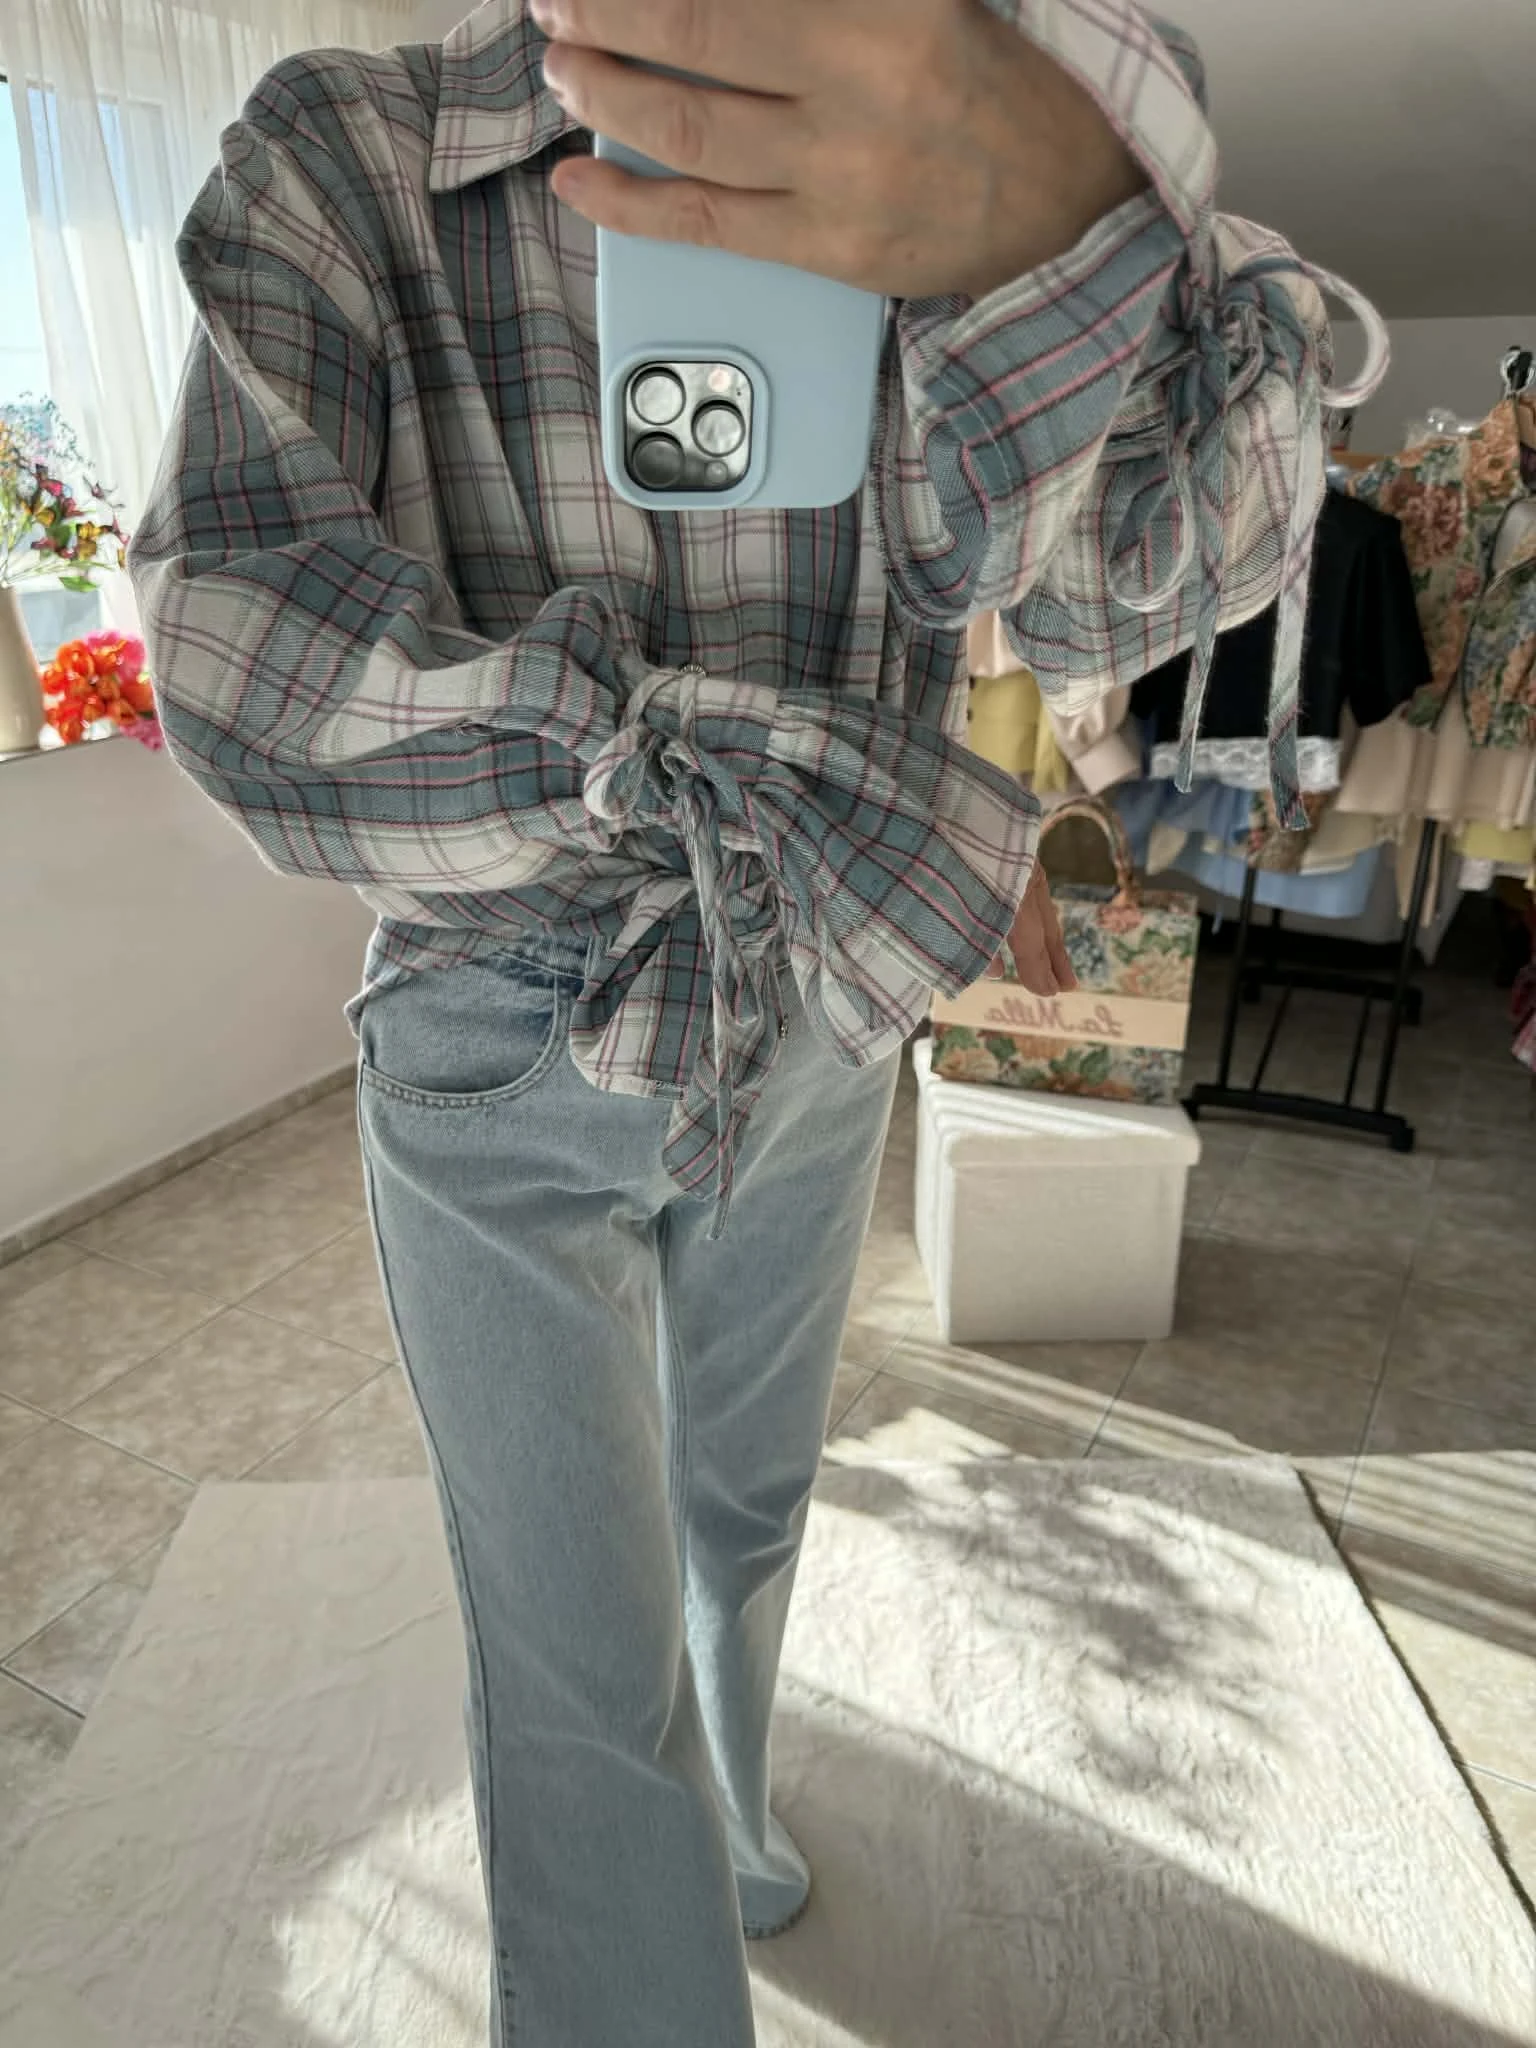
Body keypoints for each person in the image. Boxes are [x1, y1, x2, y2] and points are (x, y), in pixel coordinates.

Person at [128, 1, 1385, 2040]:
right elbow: (232, 646)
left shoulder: (944, 127)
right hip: (502, 1013)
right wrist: (755, 775)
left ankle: (732, 1809)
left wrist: (1072, 239)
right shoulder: (348, 151)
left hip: (819, 1006)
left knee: (751, 1492)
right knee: (569, 1644)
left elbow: (1118, 602)